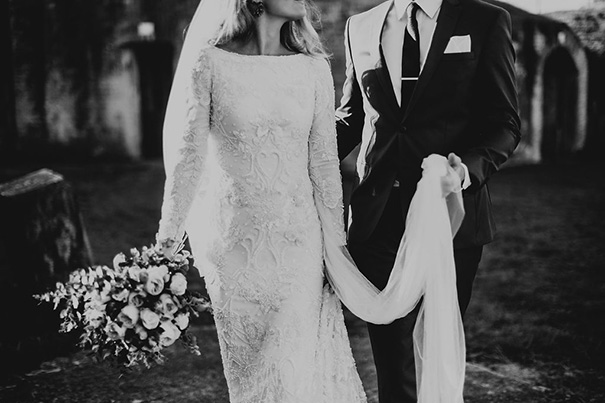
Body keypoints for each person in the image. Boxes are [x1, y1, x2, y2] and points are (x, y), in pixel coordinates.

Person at [155, 0, 367, 401]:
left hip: (299, 249)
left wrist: (336, 250)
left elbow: (324, 166)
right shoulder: (211, 62)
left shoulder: (313, 69)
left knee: (291, 374)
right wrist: (164, 247)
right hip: (233, 254)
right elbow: (189, 160)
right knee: (251, 382)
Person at [336, 0, 521, 402]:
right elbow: (351, 118)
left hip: (451, 217)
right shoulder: (359, 26)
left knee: (437, 349)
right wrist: (290, 157)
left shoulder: (486, 20)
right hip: (378, 216)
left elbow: (504, 123)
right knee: (393, 359)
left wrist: (464, 170)